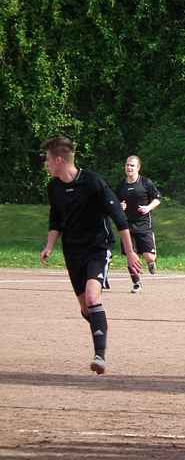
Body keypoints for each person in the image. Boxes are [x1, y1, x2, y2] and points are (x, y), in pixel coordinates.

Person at [39, 135, 142, 375]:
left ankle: (100, 356)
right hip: (72, 251)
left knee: (93, 299)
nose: (45, 164)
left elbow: (120, 218)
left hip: (98, 247)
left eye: (47, 160)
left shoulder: (93, 182)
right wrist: (49, 245)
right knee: (87, 309)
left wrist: (130, 253)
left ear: (59, 160)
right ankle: (100, 324)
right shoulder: (53, 187)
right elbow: (56, 219)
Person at [115, 155, 161, 293]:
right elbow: (115, 203)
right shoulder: (121, 186)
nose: (129, 167)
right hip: (126, 226)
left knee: (149, 256)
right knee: (131, 255)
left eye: (132, 165)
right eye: (127, 165)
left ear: (138, 168)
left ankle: (151, 261)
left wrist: (148, 208)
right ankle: (136, 283)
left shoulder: (146, 183)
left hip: (143, 224)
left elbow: (158, 198)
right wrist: (119, 206)